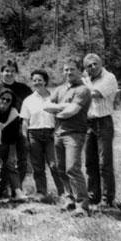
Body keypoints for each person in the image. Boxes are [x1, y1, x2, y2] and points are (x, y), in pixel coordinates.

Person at [45, 57, 91, 216]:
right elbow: (47, 106)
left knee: (73, 168)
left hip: (75, 134)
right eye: (66, 69)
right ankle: (69, 199)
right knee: (61, 169)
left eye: (72, 69)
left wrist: (57, 110)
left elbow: (71, 112)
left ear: (80, 71)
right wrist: (61, 107)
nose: (69, 72)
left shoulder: (83, 90)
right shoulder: (59, 89)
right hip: (58, 133)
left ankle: (82, 206)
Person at [0, 60, 32, 196]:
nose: (9, 74)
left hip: (20, 128)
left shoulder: (24, 89)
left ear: (16, 73)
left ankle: (17, 190)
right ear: (2, 72)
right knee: (0, 159)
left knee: (20, 159)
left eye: (12, 71)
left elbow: (32, 107)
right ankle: (0, 189)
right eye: (7, 71)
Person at [20, 69, 64, 202]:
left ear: (45, 81)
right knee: (37, 166)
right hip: (34, 135)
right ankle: (41, 193)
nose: (37, 82)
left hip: (52, 134)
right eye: (34, 80)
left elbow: (60, 116)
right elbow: (25, 121)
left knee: (54, 165)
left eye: (40, 80)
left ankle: (64, 193)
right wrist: (25, 138)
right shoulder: (28, 100)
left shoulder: (54, 97)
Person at [82, 53, 118, 208]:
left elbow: (96, 94)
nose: (93, 67)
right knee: (90, 162)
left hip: (104, 122)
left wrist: (85, 81)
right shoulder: (86, 80)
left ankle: (107, 198)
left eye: (95, 63)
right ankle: (93, 195)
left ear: (101, 63)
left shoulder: (109, 77)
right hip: (89, 123)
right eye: (89, 65)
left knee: (105, 163)